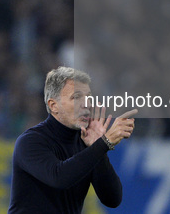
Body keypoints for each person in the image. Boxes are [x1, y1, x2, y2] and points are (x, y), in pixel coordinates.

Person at [8, 66, 137, 213]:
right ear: (53, 105)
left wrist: (97, 145)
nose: (86, 104)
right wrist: (103, 143)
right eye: (76, 97)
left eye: (88, 97)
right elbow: (59, 177)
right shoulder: (30, 141)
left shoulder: (86, 142)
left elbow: (112, 199)